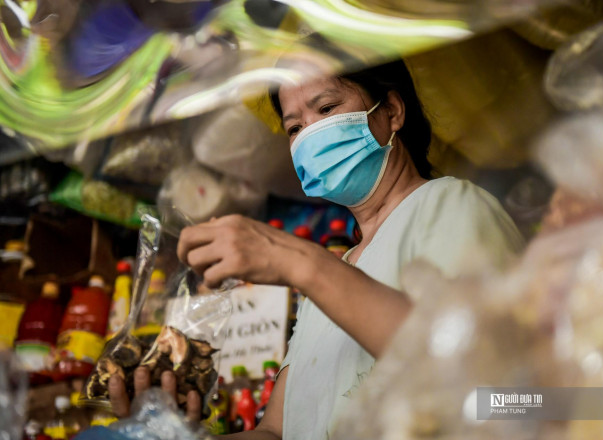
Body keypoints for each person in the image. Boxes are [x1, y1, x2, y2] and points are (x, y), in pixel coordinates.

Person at [109, 53, 524, 439]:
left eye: (326, 109)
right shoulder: (328, 281)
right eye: (294, 128)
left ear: (392, 112)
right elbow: (276, 432)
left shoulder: (450, 204)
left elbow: (498, 390)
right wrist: (180, 434)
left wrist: (297, 261)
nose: (310, 135)